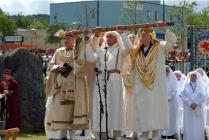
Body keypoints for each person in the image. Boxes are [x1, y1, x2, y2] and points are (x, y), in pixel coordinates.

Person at [130, 26, 177, 140]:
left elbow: (172, 41)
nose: (142, 37)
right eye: (141, 35)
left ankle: (156, 134)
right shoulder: (137, 51)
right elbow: (133, 69)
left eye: (145, 35)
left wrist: (165, 30)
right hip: (140, 85)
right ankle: (144, 134)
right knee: (142, 109)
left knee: (155, 109)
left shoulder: (159, 47)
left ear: (151, 37)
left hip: (155, 85)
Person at [85, 29, 132, 140]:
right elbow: (91, 58)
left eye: (111, 36)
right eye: (107, 36)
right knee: (101, 105)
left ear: (116, 38)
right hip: (101, 79)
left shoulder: (120, 50)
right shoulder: (101, 50)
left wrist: (123, 34)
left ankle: (116, 133)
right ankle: (103, 132)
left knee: (115, 105)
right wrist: (87, 45)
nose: (108, 38)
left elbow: (130, 48)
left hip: (114, 78)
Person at [45, 31, 92, 139]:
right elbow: (50, 65)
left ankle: (72, 135)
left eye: (68, 39)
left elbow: (82, 64)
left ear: (74, 40)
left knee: (73, 110)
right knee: (60, 110)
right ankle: (62, 135)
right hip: (61, 86)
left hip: (76, 86)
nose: (65, 41)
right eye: (65, 39)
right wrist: (57, 67)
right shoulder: (58, 51)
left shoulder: (79, 50)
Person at [181, 71, 205, 140]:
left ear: (197, 77)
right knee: (189, 124)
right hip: (188, 108)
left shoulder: (200, 85)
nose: (192, 77)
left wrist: (196, 103)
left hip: (197, 108)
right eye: (191, 76)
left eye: (194, 76)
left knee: (197, 125)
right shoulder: (186, 86)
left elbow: (203, 96)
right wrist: (190, 103)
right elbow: (183, 95)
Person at [161, 66, 178, 139]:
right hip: (162, 102)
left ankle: (171, 133)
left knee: (171, 118)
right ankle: (163, 133)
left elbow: (174, 90)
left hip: (171, 102)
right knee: (162, 117)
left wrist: (169, 98)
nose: (166, 72)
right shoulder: (161, 79)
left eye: (167, 71)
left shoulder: (173, 79)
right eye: (164, 71)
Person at [174, 70, 186, 137]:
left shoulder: (183, 82)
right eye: (176, 76)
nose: (177, 77)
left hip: (181, 102)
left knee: (181, 115)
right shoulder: (173, 82)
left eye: (178, 76)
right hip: (175, 101)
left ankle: (181, 129)